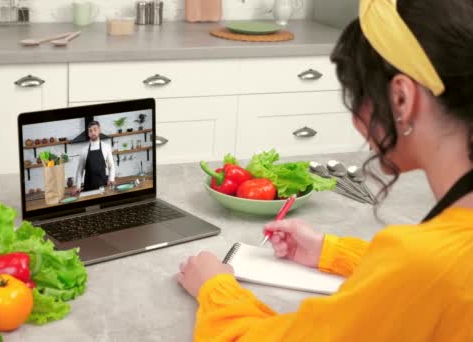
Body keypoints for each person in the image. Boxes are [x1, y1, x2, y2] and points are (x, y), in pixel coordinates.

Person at [177, 0, 473, 340]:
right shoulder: (436, 262)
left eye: (358, 94)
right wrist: (331, 252)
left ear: (402, 98)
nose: (354, 118)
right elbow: (429, 278)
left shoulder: (422, 264)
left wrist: (215, 287)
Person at [73, 121, 115, 193]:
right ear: (88, 134)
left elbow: (111, 165)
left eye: (95, 130)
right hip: (88, 189)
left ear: (99, 130)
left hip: (104, 187)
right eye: (90, 131)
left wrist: (111, 179)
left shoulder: (106, 147)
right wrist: (78, 186)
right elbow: (80, 170)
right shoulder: (84, 150)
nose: (93, 133)